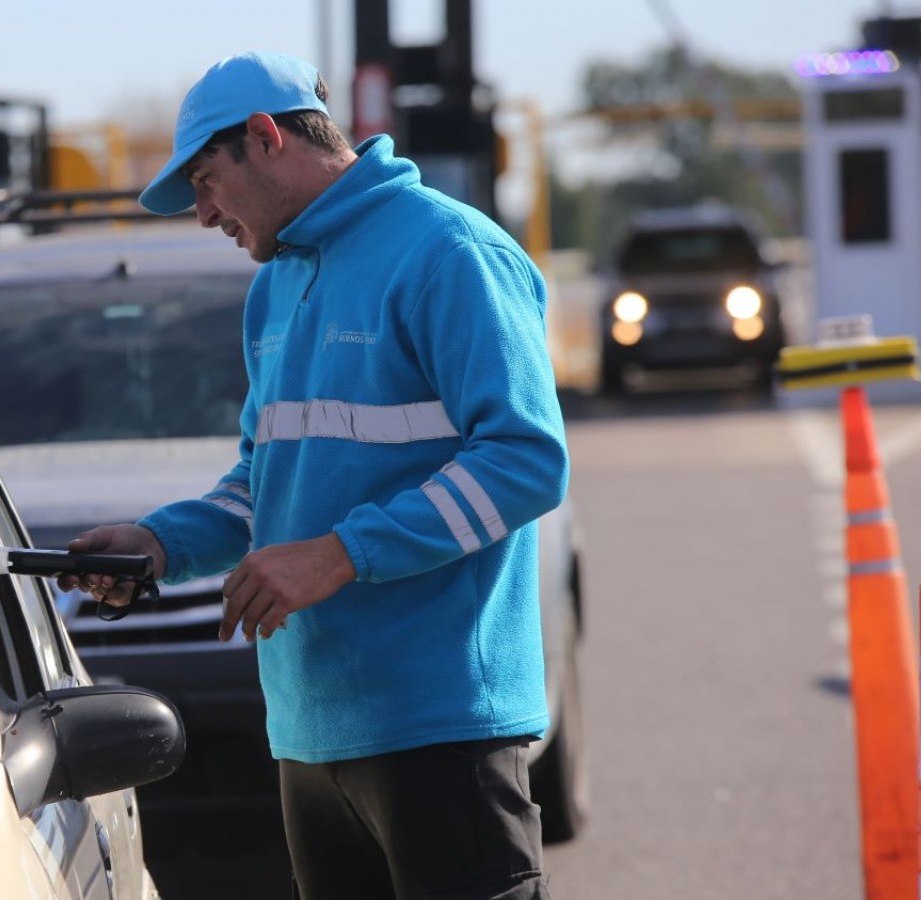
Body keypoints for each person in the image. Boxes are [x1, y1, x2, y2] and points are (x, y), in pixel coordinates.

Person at [58, 51, 568, 900]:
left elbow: (525, 460)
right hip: (308, 734)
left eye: (206, 180)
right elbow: (267, 477)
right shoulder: (274, 288)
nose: (202, 213)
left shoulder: (449, 251)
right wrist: (160, 543)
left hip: (439, 723)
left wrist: (340, 553)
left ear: (266, 138)